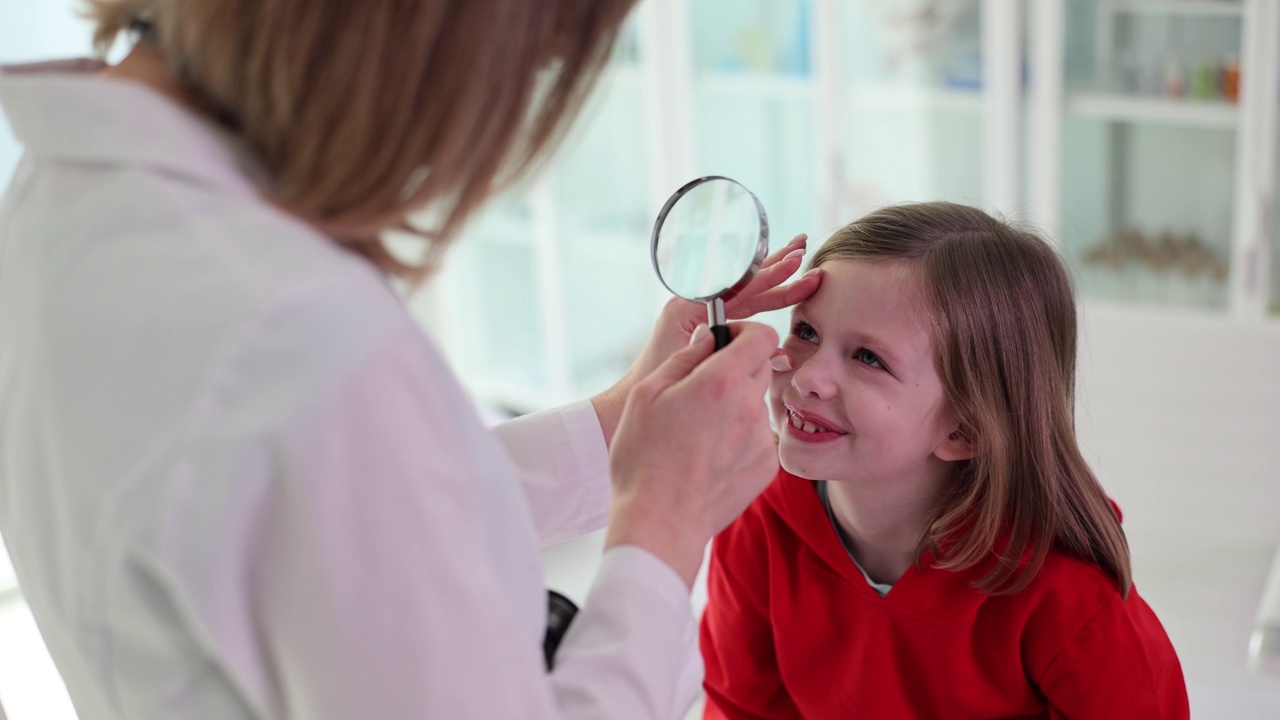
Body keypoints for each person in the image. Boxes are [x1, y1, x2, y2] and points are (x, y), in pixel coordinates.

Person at [0, 1, 822, 718]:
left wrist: (619, 429)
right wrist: (666, 525)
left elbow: (330, 515)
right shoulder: (298, 334)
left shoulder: (60, 198)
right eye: (528, 60)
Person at [699, 202, 1190, 718]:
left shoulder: (1068, 602)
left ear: (966, 428)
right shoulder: (755, 522)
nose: (805, 379)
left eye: (868, 358)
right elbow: (739, 710)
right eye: (806, 332)